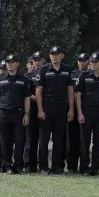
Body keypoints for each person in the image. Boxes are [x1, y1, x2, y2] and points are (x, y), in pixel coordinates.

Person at [0, 53, 31, 173]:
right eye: (7, 62)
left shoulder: (23, 80)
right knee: (4, 141)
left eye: (12, 62)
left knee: (20, 141)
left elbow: (26, 98)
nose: (9, 64)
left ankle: (18, 166)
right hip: (3, 114)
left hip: (18, 114)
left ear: (17, 64)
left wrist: (27, 114)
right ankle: (7, 166)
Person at [35, 46, 75, 174]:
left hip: (62, 108)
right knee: (44, 140)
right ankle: (43, 167)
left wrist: (71, 109)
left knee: (59, 140)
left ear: (61, 55)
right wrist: (40, 110)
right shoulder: (43, 69)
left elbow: (70, 90)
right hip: (47, 106)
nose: (54, 56)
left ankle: (57, 167)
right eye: (52, 54)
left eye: (57, 54)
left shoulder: (67, 70)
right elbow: (38, 90)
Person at [75, 52, 99, 176]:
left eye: (95, 62)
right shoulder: (83, 75)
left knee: (98, 142)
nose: (92, 64)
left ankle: (95, 168)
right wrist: (80, 113)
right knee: (84, 142)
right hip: (86, 112)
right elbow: (78, 95)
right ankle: (84, 168)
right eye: (91, 62)